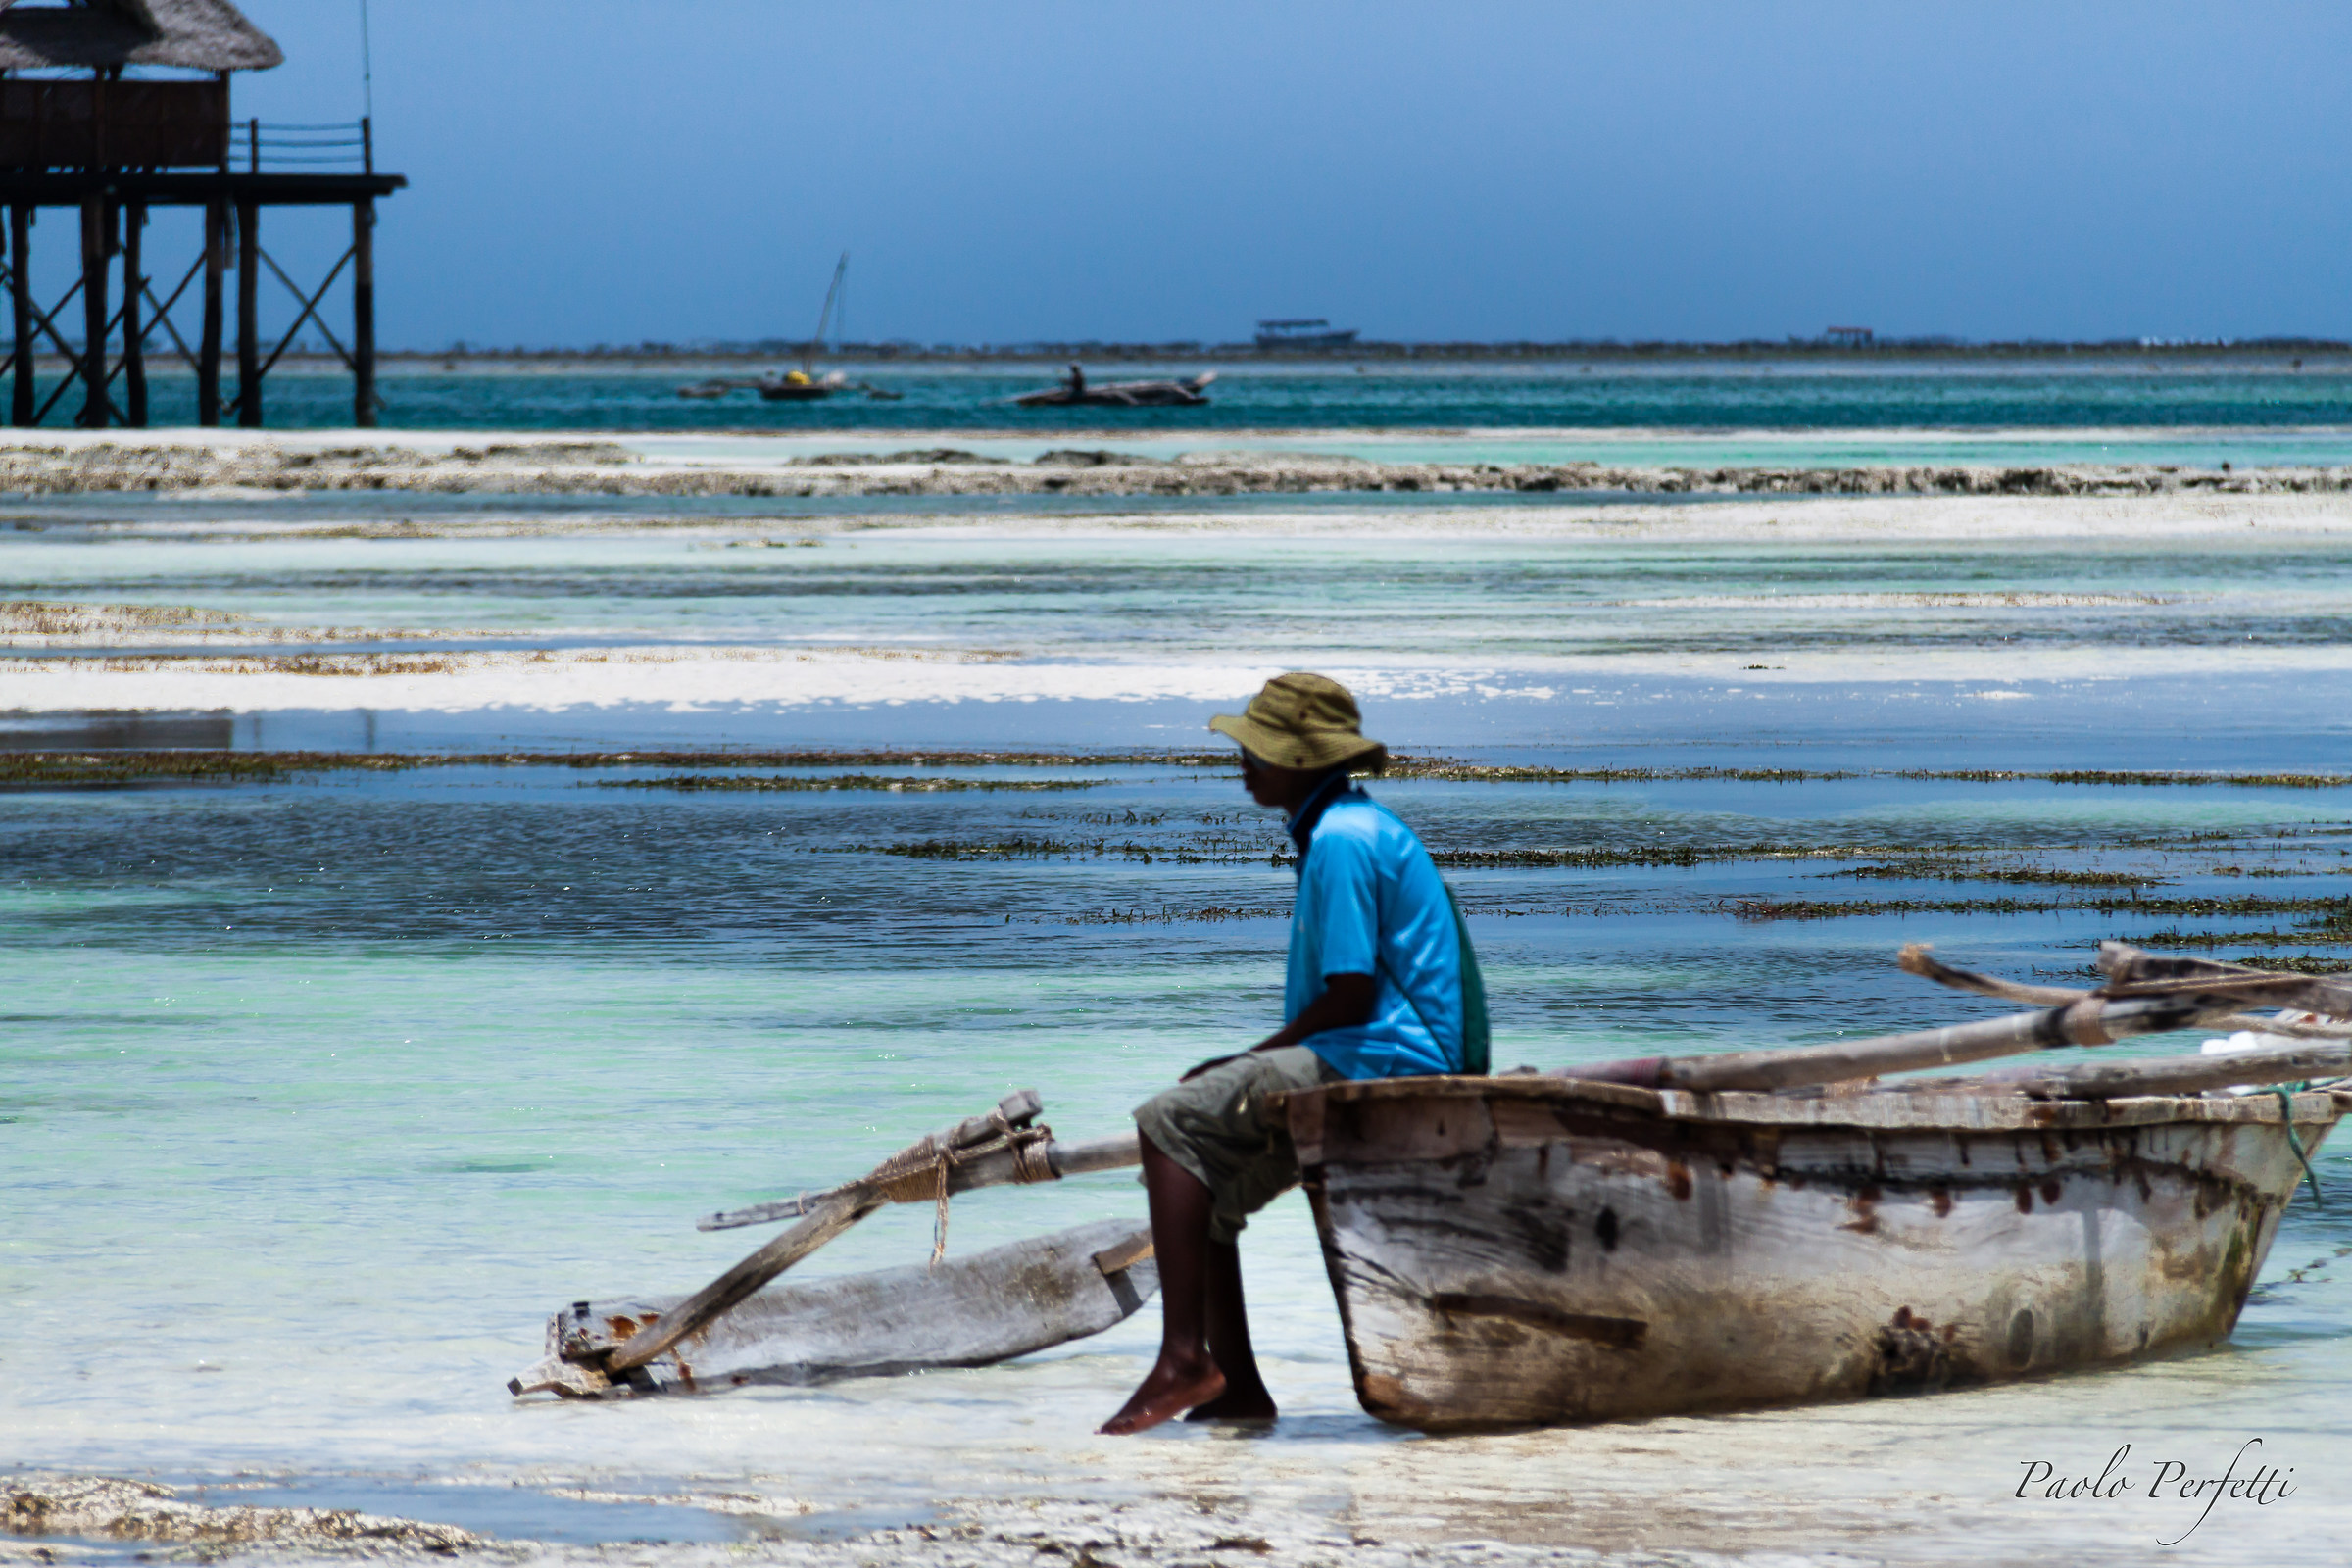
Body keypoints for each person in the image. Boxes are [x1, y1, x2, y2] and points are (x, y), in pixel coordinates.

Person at [1099, 671, 1478, 1436]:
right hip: (1385, 1048)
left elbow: (1349, 994)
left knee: (1169, 1122)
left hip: (1392, 1056)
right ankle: (1236, 1388)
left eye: (1258, 752)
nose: (1244, 764)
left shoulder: (1341, 840)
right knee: (1212, 1185)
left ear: (1302, 762)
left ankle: (1184, 1357)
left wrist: (1245, 1058)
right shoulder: (1341, 827)